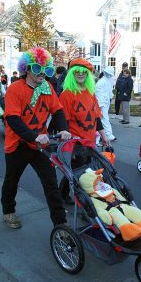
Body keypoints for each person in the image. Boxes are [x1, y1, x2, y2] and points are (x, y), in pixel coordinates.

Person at [1, 46, 71, 229]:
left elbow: (58, 111)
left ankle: (60, 225)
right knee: (12, 180)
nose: (42, 74)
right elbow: (13, 119)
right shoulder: (15, 89)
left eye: (46, 69)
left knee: (51, 182)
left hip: (39, 145)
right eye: (38, 68)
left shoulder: (47, 87)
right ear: (28, 69)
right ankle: (8, 210)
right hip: (18, 145)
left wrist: (63, 129)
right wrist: (34, 136)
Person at [59, 58, 110, 202]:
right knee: (82, 174)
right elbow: (63, 122)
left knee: (79, 171)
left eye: (84, 71)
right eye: (77, 71)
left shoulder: (90, 92)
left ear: (88, 74)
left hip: (90, 141)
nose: (81, 74)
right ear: (71, 74)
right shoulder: (67, 95)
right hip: (75, 143)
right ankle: (85, 203)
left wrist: (104, 136)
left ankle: (62, 194)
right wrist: (69, 145)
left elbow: (96, 118)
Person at [95, 65, 116, 141]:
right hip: (102, 103)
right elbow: (98, 93)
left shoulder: (108, 80)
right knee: (103, 118)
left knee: (103, 118)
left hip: (105, 102)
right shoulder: (102, 82)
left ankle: (104, 134)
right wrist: (100, 105)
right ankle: (107, 134)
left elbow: (109, 92)